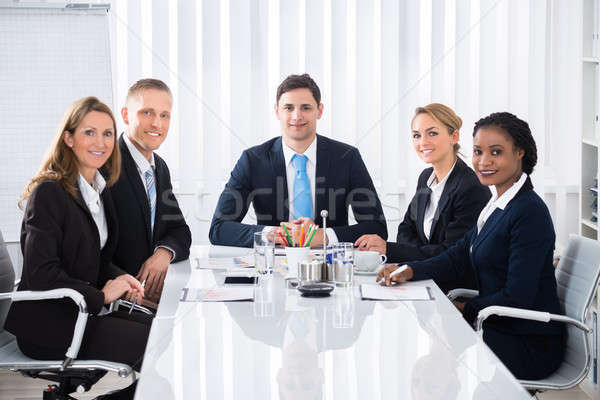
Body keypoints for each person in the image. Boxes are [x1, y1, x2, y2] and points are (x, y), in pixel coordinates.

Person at [377, 112, 564, 380]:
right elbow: (457, 256)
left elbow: (518, 296)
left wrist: (465, 310)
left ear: (520, 152)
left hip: (526, 342)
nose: (483, 161)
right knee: (411, 336)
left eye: (496, 152)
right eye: (478, 152)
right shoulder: (498, 204)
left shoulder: (528, 212)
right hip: (497, 325)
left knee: (423, 353)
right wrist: (409, 270)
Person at [5, 97, 149, 399]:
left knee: (165, 330)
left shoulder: (99, 189)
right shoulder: (49, 193)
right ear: (68, 138)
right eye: (89, 132)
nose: (101, 142)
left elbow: (96, 259)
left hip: (79, 312)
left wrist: (123, 280)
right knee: (156, 342)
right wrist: (101, 295)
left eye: (108, 133)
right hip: (47, 324)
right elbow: (42, 274)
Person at [209, 73, 387, 248]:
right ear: (277, 111)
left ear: (320, 110)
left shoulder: (347, 157)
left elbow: (377, 228)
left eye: (306, 108)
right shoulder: (253, 160)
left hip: (330, 265)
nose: (297, 116)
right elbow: (219, 228)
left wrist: (324, 236)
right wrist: (274, 234)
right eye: (288, 108)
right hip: (273, 265)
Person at [355, 104, 490, 292]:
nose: (422, 142)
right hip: (420, 278)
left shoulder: (471, 187)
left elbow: (450, 253)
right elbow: (405, 230)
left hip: (450, 289)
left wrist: (390, 249)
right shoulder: (426, 177)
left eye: (432, 133)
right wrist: (421, 254)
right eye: (417, 135)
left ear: (454, 136)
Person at [110, 79, 191, 304]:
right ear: (126, 115)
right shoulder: (106, 165)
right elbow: (95, 250)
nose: (157, 123)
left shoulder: (159, 167)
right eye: (147, 112)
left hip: (150, 294)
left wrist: (163, 253)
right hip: (118, 297)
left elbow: (180, 230)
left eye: (164, 115)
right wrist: (130, 288)